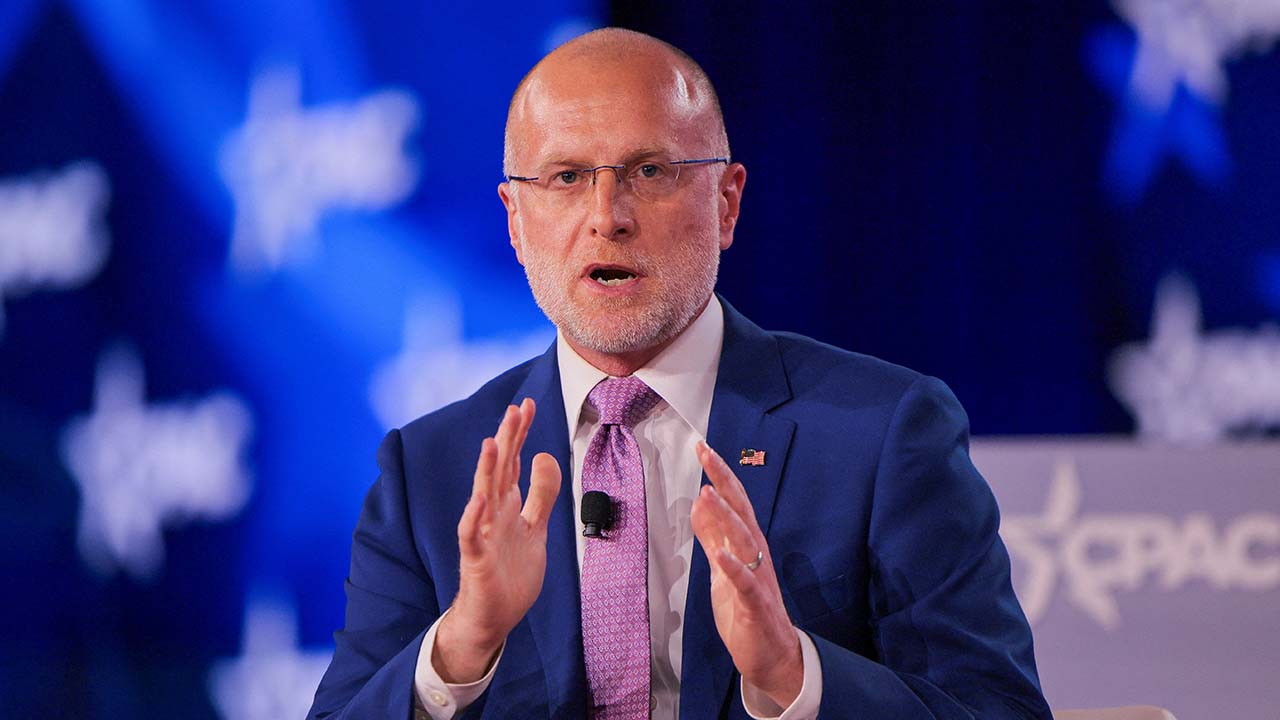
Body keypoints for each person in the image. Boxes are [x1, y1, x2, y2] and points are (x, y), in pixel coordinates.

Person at [308, 27, 1051, 720]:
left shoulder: (885, 434)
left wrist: (795, 678)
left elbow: (997, 708)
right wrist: (462, 643)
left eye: (650, 171)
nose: (607, 216)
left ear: (726, 202)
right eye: (567, 177)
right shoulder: (431, 470)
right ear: (514, 222)